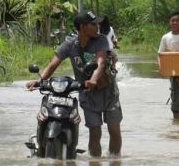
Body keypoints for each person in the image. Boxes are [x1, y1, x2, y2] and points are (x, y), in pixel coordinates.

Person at [26, 11, 123, 157]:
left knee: (114, 130)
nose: (98, 26)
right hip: (87, 93)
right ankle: (95, 161)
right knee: (95, 132)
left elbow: (101, 63)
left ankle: (115, 160)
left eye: (98, 23)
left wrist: (93, 80)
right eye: (93, 24)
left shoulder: (101, 40)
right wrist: (39, 81)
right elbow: (53, 64)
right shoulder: (70, 44)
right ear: (83, 27)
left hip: (108, 92)